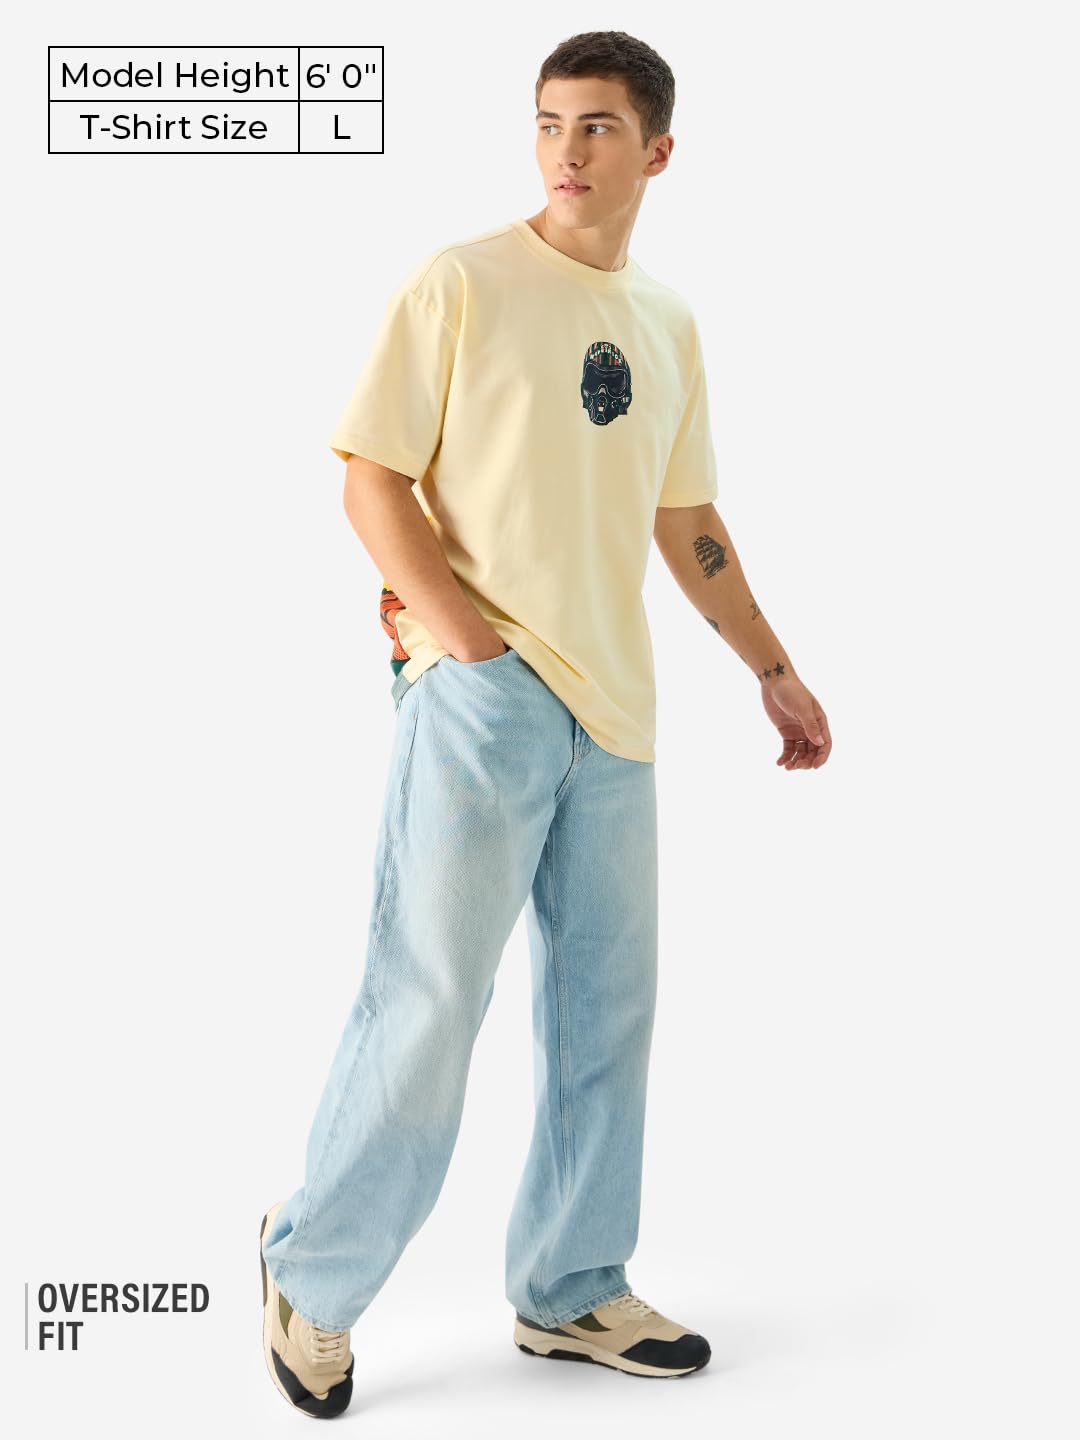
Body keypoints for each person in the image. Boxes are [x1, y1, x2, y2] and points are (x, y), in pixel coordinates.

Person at [259, 27, 832, 1418]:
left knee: (604, 1021)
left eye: (598, 127)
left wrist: (771, 665)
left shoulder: (668, 321)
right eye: (549, 123)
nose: (567, 152)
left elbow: (686, 519)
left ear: (659, 152)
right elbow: (371, 479)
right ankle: (311, 1279)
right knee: (429, 1002)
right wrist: (465, 644)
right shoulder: (462, 282)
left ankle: (572, 1286)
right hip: (486, 704)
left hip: (619, 717)